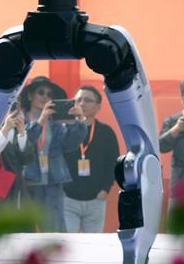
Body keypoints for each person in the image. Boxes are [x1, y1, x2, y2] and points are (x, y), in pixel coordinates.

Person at [17, 77, 88, 232]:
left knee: (55, 229)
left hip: (53, 182)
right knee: (27, 229)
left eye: (49, 94)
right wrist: (40, 120)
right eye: (41, 92)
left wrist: (79, 120)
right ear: (30, 96)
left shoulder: (56, 123)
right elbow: (25, 143)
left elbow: (71, 143)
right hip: (29, 182)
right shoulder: (20, 119)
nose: (45, 97)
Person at [62, 86, 120, 233]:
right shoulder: (65, 129)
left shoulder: (106, 132)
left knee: (93, 245)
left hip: (96, 199)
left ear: (98, 107)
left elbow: (113, 163)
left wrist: (105, 189)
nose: (82, 104)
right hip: (67, 198)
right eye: (78, 100)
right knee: (68, 244)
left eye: (88, 100)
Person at [160, 76, 184, 216]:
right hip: (180, 184)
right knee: (177, 233)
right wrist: (175, 130)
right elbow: (160, 146)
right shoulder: (173, 121)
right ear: (182, 97)